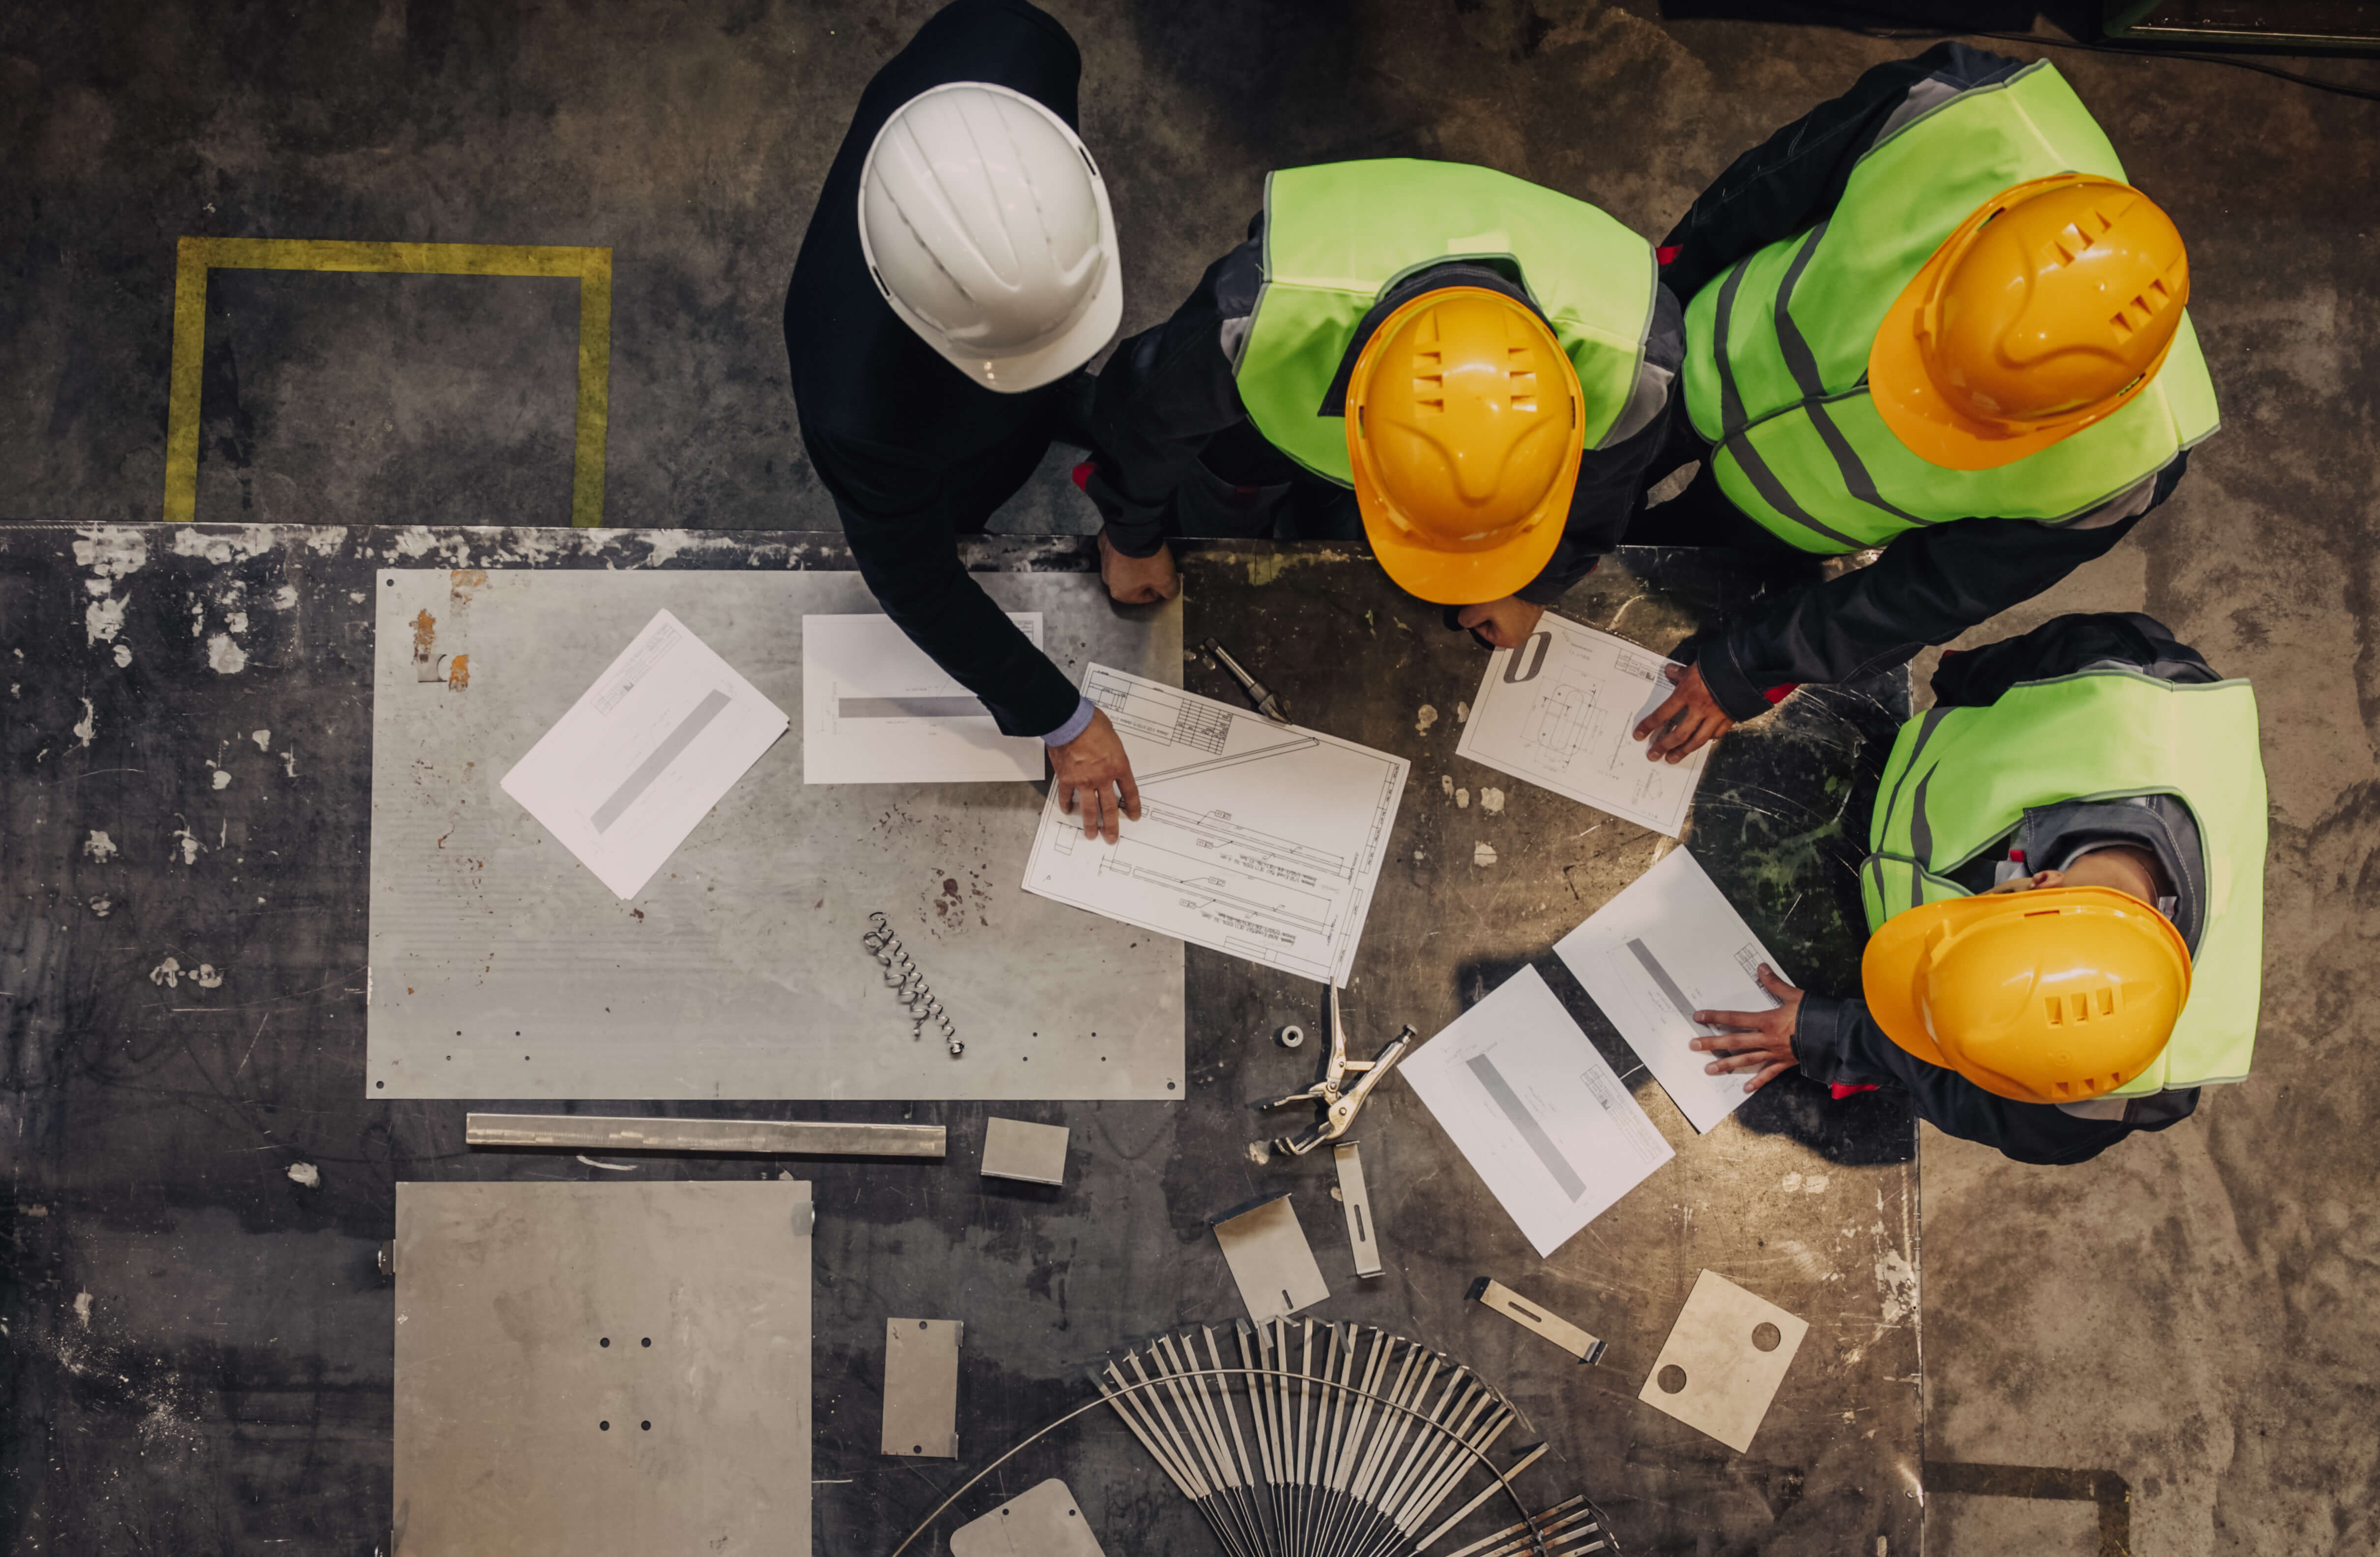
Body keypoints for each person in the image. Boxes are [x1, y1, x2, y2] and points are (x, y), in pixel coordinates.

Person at [1625, 44, 2220, 764]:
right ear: (1966, 245)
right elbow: (1755, 194)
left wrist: (1748, 666)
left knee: (1651, 576)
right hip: (1704, 346)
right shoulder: (1959, 114)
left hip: (1789, 516)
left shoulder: (2125, 467)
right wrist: (1648, 323)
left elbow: (1926, 595)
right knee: (1600, 462)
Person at [1688, 613, 2266, 1166]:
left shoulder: (2101, 1093)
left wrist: (1837, 1034)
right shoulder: (2125, 685)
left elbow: (1979, 1092)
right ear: (2039, 881)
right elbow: (1998, 669)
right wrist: (1958, 688)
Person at [785, 0, 1147, 840]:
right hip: (918, 424)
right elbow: (914, 577)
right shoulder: (860, 409)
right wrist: (1062, 718)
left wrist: (1137, 501)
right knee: (958, 517)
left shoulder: (1022, 51)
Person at [1081, 158, 1682, 647]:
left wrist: (1532, 585)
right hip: (1259, 430)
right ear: (1353, 411)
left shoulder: (1634, 362)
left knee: (1342, 544)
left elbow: (1603, 493)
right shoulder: (1260, 316)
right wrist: (1132, 536)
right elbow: (1144, 412)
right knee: (1217, 527)